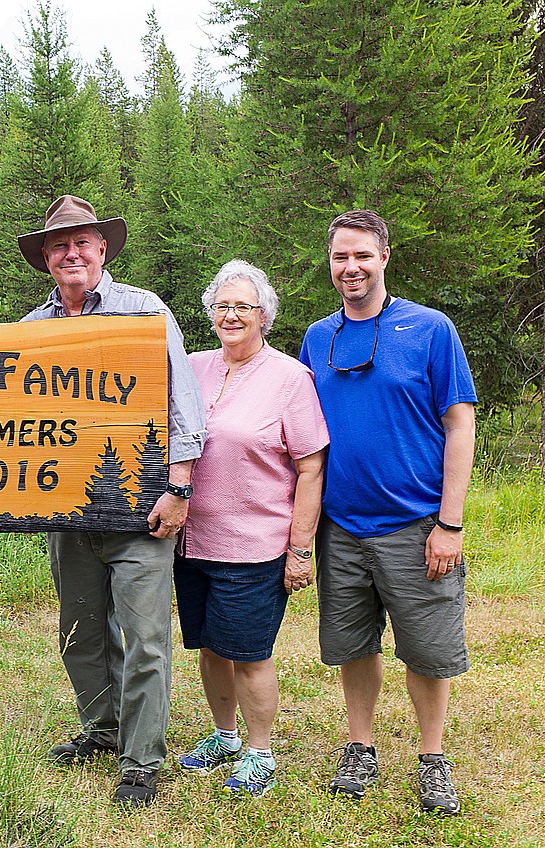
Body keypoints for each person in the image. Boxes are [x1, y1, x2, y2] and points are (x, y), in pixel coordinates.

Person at [18, 195, 207, 807]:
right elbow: (9, 422)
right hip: (65, 511)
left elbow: (185, 404)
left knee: (145, 634)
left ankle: (142, 757)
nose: (72, 253)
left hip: (140, 508)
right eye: (59, 245)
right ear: (46, 258)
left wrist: (178, 489)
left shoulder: (144, 310)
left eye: (83, 243)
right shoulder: (29, 332)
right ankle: (102, 728)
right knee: (81, 630)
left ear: (103, 249)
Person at [299, 210, 476, 815]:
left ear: (385, 257)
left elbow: (459, 424)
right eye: (340, 257)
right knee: (354, 644)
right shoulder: (317, 338)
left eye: (362, 256)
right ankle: (360, 746)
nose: (350, 268)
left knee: (428, 649)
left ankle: (432, 760)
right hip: (342, 527)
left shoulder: (430, 330)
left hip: (416, 523)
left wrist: (449, 522)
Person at [174, 260, 328, 797]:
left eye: (243, 306)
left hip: (257, 543)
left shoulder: (290, 378)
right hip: (193, 540)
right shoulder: (192, 367)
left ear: (265, 315)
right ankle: (224, 736)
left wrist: (301, 549)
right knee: (211, 648)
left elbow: (311, 466)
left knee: (250, 653)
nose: (231, 315)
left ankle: (259, 753)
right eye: (222, 305)